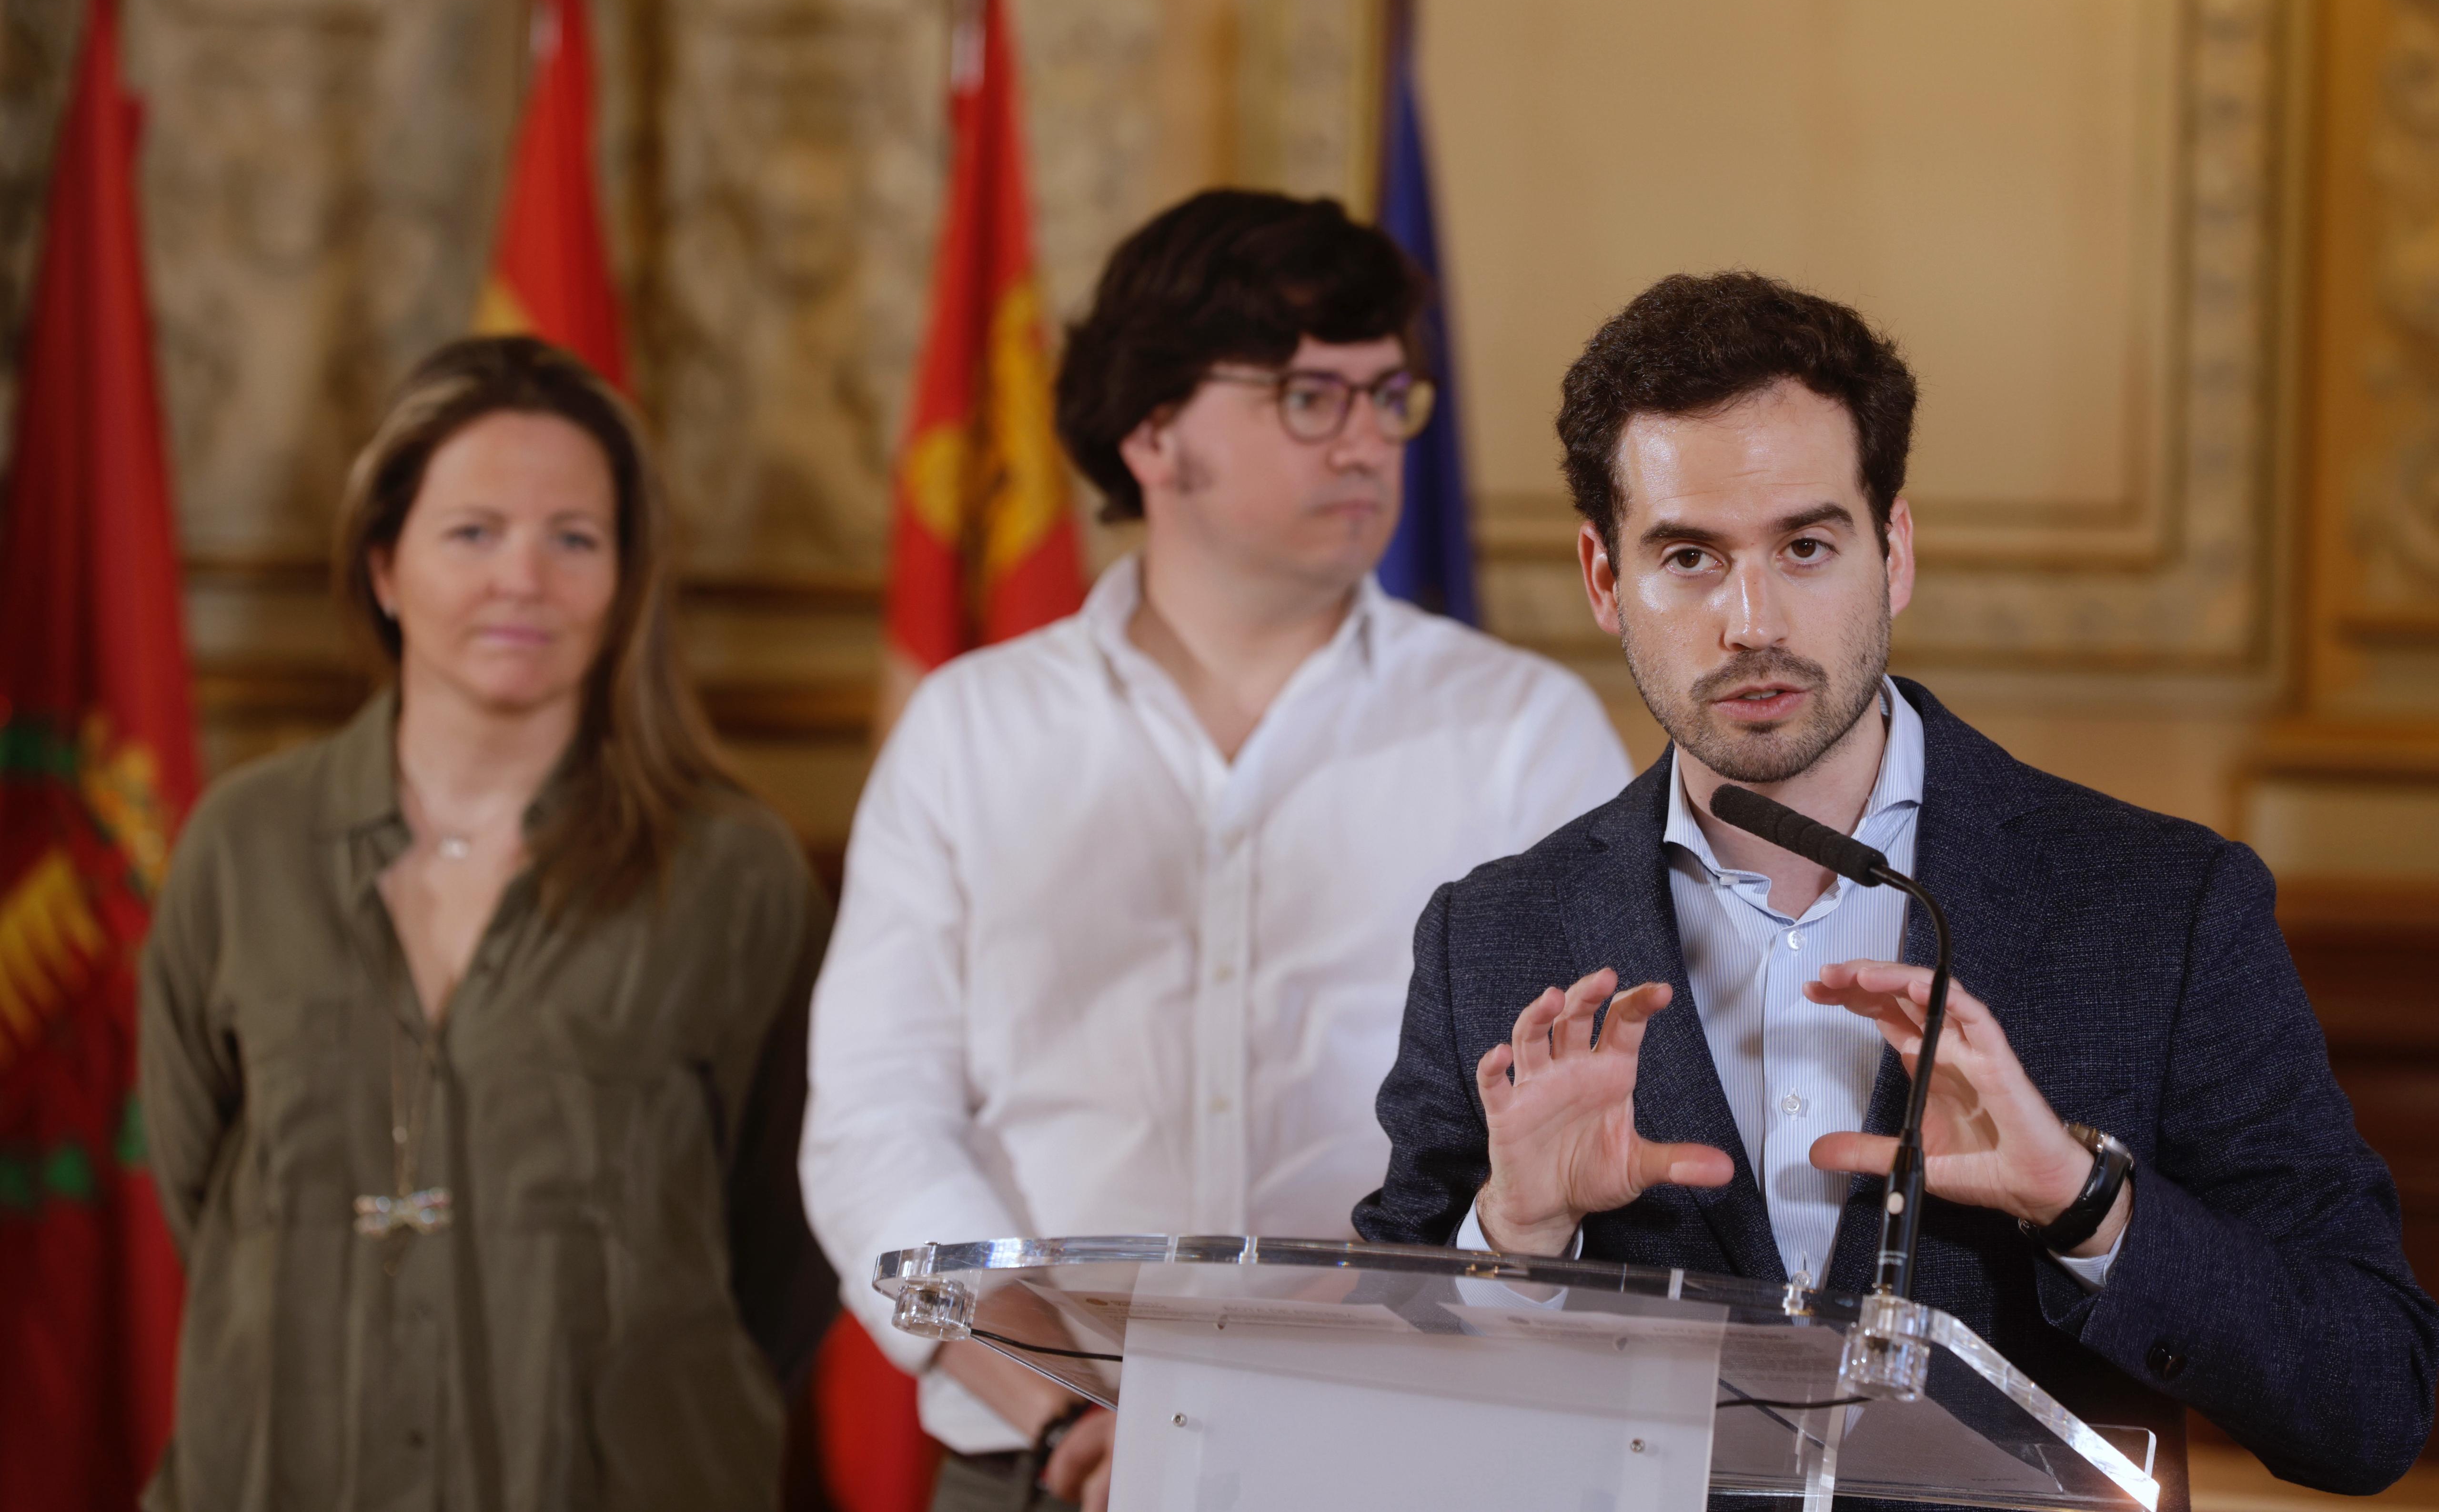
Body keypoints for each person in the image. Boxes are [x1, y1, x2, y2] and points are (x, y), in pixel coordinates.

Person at [1355, 272, 2438, 1504]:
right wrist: (1516, 1236)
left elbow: (2372, 1401)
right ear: (1604, 578)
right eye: (1689, 556)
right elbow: (1372, 1409)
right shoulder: (1491, 934)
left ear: (1896, 551)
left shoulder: (2163, 906)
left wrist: (2086, 1204)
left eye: (1806, 546)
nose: (1752, 621)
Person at [803, 190, 1632, 1512]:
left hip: (1403, 1453)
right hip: (1040, 1458)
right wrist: (1069, 1404)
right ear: (1152, 431)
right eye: (1310, 397)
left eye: (1388, 396)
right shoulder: (972, 729)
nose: (1366, 441)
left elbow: (1585, 1116)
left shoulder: (1520, 731)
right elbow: (873, 1123)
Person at [138, 337, 829, 1511]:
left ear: (625, 581)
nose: (524, 579)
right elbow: (203, 1194)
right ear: (384, 566)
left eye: (575, 539)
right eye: (473, 533)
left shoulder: (736, 874)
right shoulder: (240, 846)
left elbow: (790, 1241)